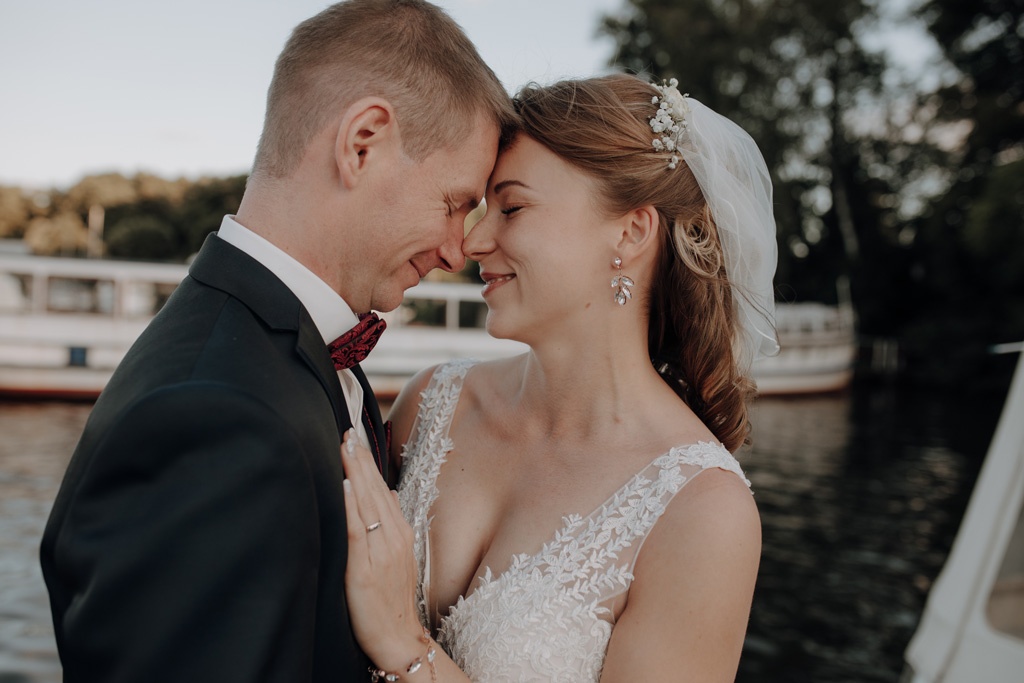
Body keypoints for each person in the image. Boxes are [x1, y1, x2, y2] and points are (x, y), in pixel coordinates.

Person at [40, 2, 515, 681]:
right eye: (453, 202)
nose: (454, 250)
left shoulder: (274, 360)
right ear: (363, 142)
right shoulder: (215, 416)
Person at [340, 73, 780, 681]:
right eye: (483, 209)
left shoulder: (702, 514)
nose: (474, 241)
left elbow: (391, 632)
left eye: (512, 208)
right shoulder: (431, 402)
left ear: (631, 231)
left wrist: (404, 646)